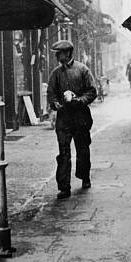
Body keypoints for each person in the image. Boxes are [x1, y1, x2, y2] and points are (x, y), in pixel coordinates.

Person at [47, 40, 97, 199]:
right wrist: (55, 103)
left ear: (68, 53)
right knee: (63, 153)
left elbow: (92, 92)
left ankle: (85, 176)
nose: (57, 55)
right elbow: (51, 93)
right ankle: (64, 187)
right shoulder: (56, 73)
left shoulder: (83, 70)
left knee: (82, 149)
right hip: (64, 119)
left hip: (80, 117)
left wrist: (79, 100)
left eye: (59, 53)